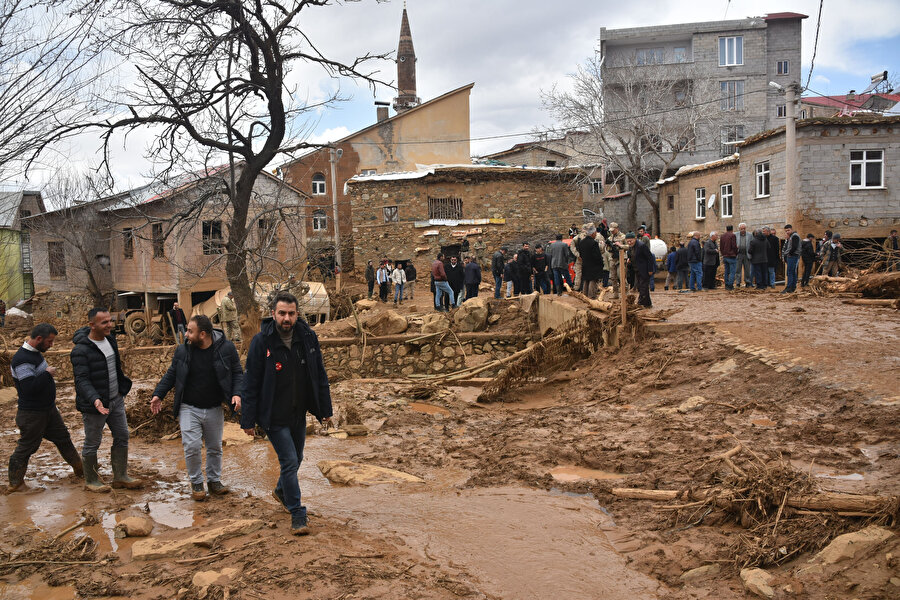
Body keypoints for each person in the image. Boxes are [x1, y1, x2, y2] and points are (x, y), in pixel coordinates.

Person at [242, 292, 332, 535]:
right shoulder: (262, 342)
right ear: (273, 314)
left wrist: (326, 410)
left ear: (297, 314)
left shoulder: (307, 338)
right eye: (281, 313)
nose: (286, 318)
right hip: (272, 415)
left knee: (298, 458)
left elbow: (319, 375)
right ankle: (297, 513)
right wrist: (248, 420)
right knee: (289, 461)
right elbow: (250, 382)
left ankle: (281, 491)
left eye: (291, 313)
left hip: (297, 412)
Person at [151, 315, 242, 501]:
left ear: (203, 334)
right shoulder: (183, 351)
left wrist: (237, 393)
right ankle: (197, 483)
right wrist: (158, 394)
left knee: (215, 447)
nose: (186, 334)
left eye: (190, 331)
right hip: (188, 407)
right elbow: (171, 374)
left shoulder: (226, 349)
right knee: (191, 446)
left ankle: (214, 482)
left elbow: (238, 373)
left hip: (214, 407)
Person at [70, 307, 140, 492]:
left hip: (116, 400)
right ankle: (91, 480)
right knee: (92, 442)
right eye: (105, 322)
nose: (110, 325)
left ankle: (120, 476)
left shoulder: (110, 340)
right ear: (92, 325)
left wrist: (121, 390)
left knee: (123, 435)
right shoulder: (80, 351)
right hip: (95, 406)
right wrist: (95, 400)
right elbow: (81, 379)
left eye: (110, 320)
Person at [7, 324, 82, 492]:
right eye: (50, 341)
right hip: (32, 414)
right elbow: (29, 389)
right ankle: (15, 483)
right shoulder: (22, 359)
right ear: (39, 339)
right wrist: (47, 373)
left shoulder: (35, 354)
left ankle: (81, 469)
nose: (52, 345)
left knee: (63, 438)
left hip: (48, 410)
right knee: (27, 447)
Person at [575, 225, 604, 299]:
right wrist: (601, 264)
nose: (596, 235)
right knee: (593, 280)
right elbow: (597, 256)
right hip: (593, 265)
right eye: (595, 233)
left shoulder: (581, 242)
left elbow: (580, 254)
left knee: (586, 280)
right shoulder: (593, 243)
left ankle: (585, 296)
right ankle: (592, 296)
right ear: (593, 233)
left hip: (585, 264)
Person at [628, 232, 654, 307]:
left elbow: (650, 258)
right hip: (637, 270)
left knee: (643, 287)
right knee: (641, 287)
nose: (629, 242)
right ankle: (647, 304)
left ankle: (641, 303)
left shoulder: (641, 246)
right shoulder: (631, 247)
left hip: (644, 270)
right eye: (628, 241)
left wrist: (650, 270)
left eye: (631, 240)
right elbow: (631, 256)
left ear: (635, 239)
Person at [608, 223, 626, 298]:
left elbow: (629, 246)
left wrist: (620, 245)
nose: (612, 232)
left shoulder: (623, 237)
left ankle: (625, 293)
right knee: (613, 277)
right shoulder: (610, 238)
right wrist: (608, 246)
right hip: (612, 258)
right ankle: (615, 293)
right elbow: (607, 250)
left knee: (621, 276)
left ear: (617, 228)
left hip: (621, 258)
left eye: (613, 230)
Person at [781, 224, 801, 293]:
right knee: (792, 272)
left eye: (788, 230)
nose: (787, 232)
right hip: (792, 256)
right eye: (786, 231)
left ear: (791, 229)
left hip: (793, 256)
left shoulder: (795, 236)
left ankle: (789, 287)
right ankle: (792, 287)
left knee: (790, 272)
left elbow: (794, 247)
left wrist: (789, 254)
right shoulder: (792, 236)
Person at [720, 225, 738, 290]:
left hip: (725, 256)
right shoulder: (732, 235)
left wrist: (723, 254)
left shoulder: (722, 236)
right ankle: (730, 285)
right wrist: (736, 253)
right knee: (732, 272)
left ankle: (726, 284)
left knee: (726, 271)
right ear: (732, 229)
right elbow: (734, 246)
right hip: (731, 256)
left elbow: (721, 246)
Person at [735, 223, 752, 288]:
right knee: (738, 269)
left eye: (744, 228)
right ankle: (738, 282)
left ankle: (747, 281)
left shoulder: (750, 235)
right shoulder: (735, 235)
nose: (743, 230)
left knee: (747, 269)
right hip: (739, 254)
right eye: (741, 229)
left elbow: (751, 244)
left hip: (746, 254)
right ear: (739, 229)